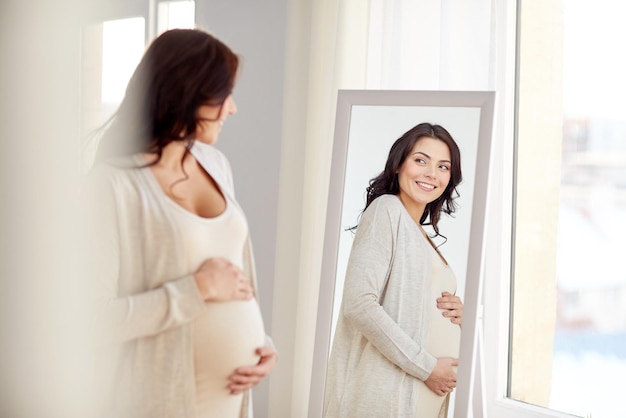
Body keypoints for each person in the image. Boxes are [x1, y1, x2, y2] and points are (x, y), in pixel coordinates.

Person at [84, 29, 277, 418]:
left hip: (232, 399)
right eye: (223, 95)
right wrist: (196, 289)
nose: (232, 109)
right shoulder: (111, 185)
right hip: (158, 399)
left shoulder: (216, 165)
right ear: (189, 92)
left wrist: (261, 342)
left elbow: (234, 273)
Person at [323, 122, 465, 418]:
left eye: (443, 166)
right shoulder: (386, 210)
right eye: (420, 160)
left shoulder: (419, 232)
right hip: (388, 397)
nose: (431, 173)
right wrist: (427, 367)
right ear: (399, 164)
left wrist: (459, 314)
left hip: (422, 399)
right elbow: (359, 304)